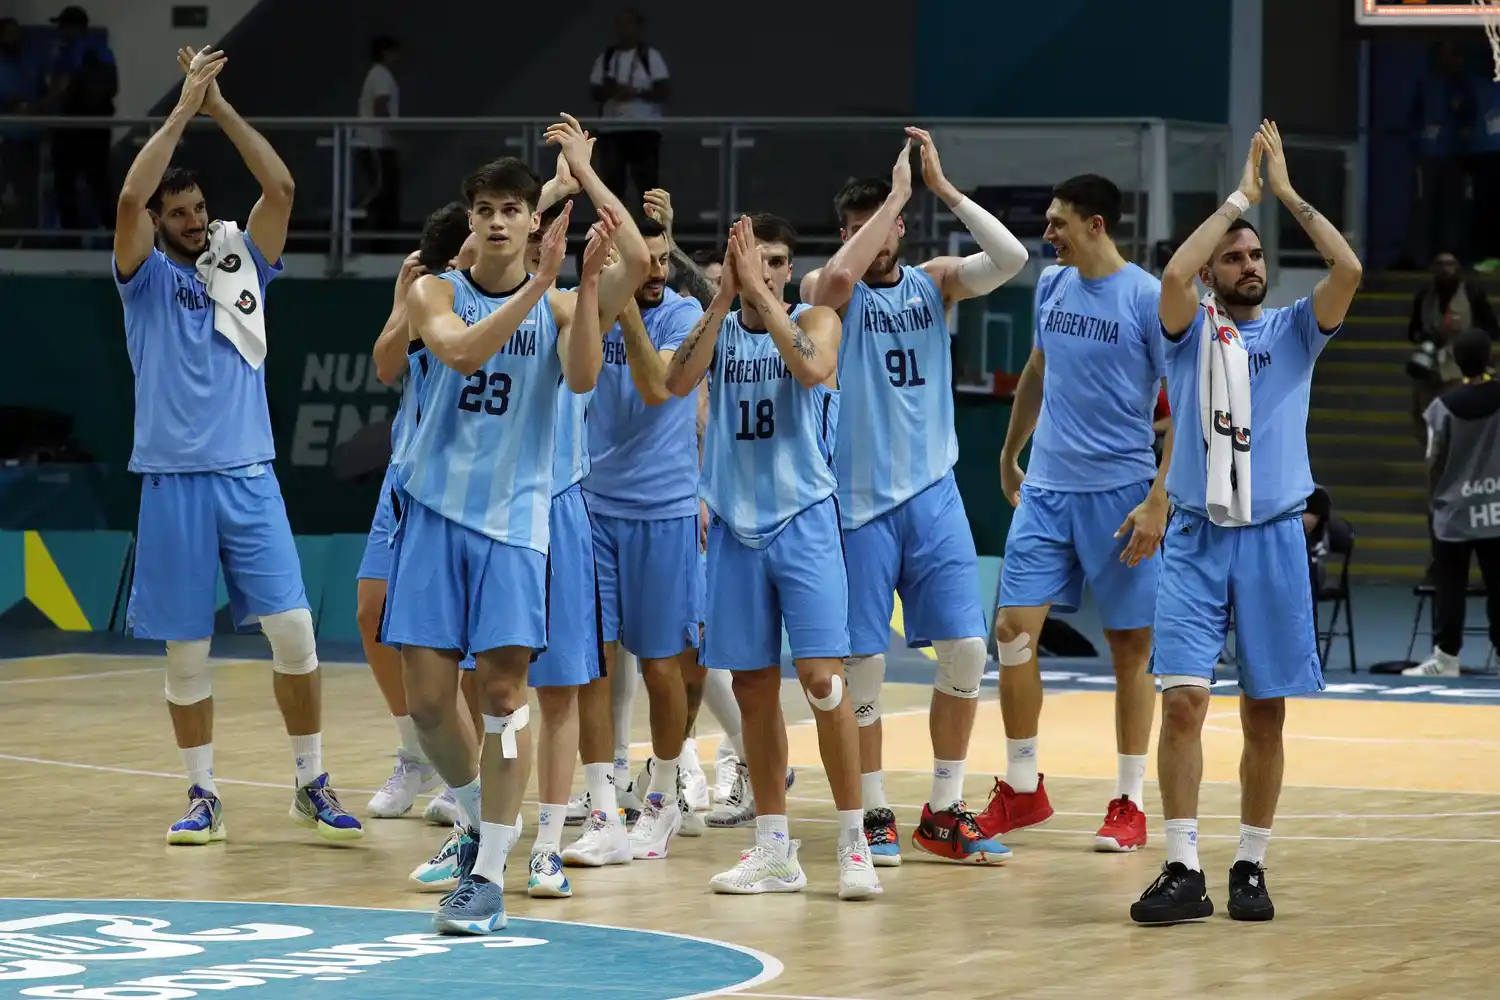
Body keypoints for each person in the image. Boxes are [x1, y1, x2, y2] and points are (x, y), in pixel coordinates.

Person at [391, 111, 647, 934]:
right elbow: (459, 353)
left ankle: (493, 870)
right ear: (471, 221)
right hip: (434, 514)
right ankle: (474, 819)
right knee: (430, 704)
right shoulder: (438, 288)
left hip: (515, 525)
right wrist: (539, 284)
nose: (498, 220)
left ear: (532, 218)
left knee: (504, 697)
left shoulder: (568, 304)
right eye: (486, 209)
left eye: (513, 208)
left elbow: (634, 271)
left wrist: (584, 170)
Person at [114, 49, 360, 845]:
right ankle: (203, 793)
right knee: (186, 654)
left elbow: (282, 188)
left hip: (248, 477)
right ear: (157, 221)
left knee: (295, 634)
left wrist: (219, 107)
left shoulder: (240, 261)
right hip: (173, 483)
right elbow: (126, 195)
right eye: (176, 212)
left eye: (197, 208)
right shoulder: (141, 278)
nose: (191, 220)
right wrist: (180, 108)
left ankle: (310, 781)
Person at [1131, 121, 1361, 925]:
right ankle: (1184, 864)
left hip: (1272, 536)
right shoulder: (1190, 330)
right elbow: (1173, 272)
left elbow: (1350, 267)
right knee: (1184, 702)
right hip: (1197, 536)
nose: (1249, 266)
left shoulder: (1298, 330)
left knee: (1266, 709)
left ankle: (1251, 866)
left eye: (1257, 255)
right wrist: (1238, 197)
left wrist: (1289, 194)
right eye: (1235, 257)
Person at [802, 129, 1027, 865]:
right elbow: (835, 282)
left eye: (891, 221)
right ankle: (872, 811)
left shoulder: (935, 282)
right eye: (862, 223)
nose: (881, 235)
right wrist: (893, 197)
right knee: (862, 666)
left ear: (903, 229)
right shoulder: (823, 293)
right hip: (857, 503)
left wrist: (945, 190)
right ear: (849, 232)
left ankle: (943, 807)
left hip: (933, 494)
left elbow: (1012, 259)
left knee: (965, 651)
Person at [665, 213, 880, 900]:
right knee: (753, 691)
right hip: (733, 525)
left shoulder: (818, 320)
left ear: (792, 270)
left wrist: (760, 297)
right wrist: (727, 295)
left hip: (804, 521)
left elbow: (812, 370)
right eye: (756, 260)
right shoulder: (718, 329)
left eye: (780, 262)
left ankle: (854, 845)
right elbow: (674, 382)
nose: (770, 270)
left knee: (823, 681)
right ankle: (774, 850)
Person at [984, 174, 1171, 854]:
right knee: (1010, 631)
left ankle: (1129, 801)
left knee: (1131, 652)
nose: (1047, 232)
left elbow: (1180, 409)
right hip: (1047, 491)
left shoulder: (1148, 298)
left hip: (1121, 494)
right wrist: (1010, 451)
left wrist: (1159, 496)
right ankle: (1023, 787)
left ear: (1097, 224)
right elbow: (1038, 367)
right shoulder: (1052, 286)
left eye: (1059, 222)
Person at [564, 207, 706, 864]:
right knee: (593, 664)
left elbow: (657, 389)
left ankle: (665, 796)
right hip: (593, 507)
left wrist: (624, 310)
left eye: (663, 258)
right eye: (642, 259)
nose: (655, 269)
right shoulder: (589, 305)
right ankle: (601, 808)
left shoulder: (681, 315)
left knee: (661, 666)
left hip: (665, 510)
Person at [360, 203, 474, 821]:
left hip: (463, 484)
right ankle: (415, 753)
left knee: (469, 648)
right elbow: (385, 366)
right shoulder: (425, 294)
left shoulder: (488, 300)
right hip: (404, 477)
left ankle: (466, 774)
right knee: (372, 611)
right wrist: (403, 301)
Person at [1406, 328, 1500, 678]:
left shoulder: (1442, 407)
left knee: (1451, 587)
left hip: (1454, 512)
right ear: (1489, 356)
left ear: (1458, 362)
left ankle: (1447, 659)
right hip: (1496, 510)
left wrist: (1436, 502)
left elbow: (1434, 460)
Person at [1406, 252, 1499, 446]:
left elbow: (1490, 328)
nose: (1445, 269)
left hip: (1460, 366)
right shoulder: (1425, 295)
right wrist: (1425, 337)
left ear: (1458, 268)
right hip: (1429, 367)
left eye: (1450, 264)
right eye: (1440, 264)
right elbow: (1412, 330)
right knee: (1423, 414)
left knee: (1458, 416)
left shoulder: (1472, 293)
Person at [588, 8, 669, 204]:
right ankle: (614, 230)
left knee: (647, 186)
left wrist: (637, 92)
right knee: (611, 186)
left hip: (644, 130)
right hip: (612, 130)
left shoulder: (650, 56)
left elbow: (663, 91)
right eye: (620, 24)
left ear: (638, 28)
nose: (624, 29)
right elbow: (594, 91)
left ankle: (650, 230)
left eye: (629, 24)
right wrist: (615, 92)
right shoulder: (607, 58)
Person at [354, 35, 401, 252]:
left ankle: (375, 239)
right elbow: (380, 105)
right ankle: (368, 238)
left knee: (382, 191)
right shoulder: (381, 75)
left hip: (377, 142)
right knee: (380, 191)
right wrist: (394, 134)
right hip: (376, 143)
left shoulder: (378, 75)